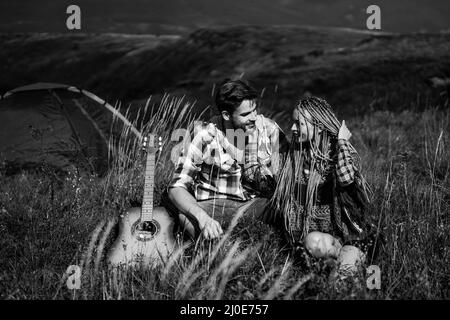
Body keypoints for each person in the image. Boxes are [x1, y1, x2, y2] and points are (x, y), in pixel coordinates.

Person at [268, 96, 382, 276]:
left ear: (319, 126)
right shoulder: (296, 158)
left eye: (299, 124)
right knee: (315, 246)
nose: (293, 128)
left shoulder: (336, 156)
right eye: (293, 122)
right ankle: (327, 266)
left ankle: (353, 258)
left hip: (348, 238)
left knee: (339, 282)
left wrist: (343, 140)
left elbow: (345, 178)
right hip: (317, 242)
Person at [165, 79, 288, 241]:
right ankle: (214, 252)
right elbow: (177, 188)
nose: (254, 117)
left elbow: (290, 173)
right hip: (214, 205)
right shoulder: (203, 134)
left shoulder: (269, 129)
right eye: (245, 114)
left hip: (255, 203)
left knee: (288, 209)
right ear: (226, 115)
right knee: (186, 215)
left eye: (254, 110)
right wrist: (203, 218)